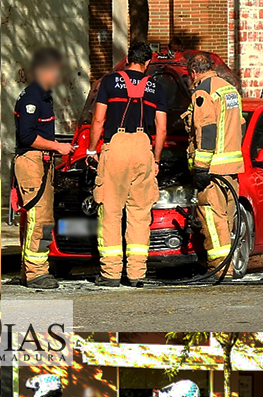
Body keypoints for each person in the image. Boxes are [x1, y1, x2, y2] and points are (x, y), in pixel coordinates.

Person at [86, 41, 168, 287]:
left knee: (110, 211)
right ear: (147, 62)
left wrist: (92, 150)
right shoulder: (155, 87)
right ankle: (136, 274)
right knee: (140, 214)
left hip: (116, 146)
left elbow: (98, 119)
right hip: (143, 147)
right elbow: (162, 129)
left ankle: (111, 274)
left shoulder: (110, 82)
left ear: (128, 59)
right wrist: (155, 159)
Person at [13, 48, 75, 289]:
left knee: (41, 218)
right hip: (31, 162)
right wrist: (57, 147)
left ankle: (29, 269)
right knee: (40, 218)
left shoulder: (44, 97)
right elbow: (27, 136)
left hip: (41, 162)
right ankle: (36, 272)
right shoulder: (32, 98)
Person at [185, 52, 245, 275]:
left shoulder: (203, 91)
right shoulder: (229, 89)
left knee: (212, 217)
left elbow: (207, 129)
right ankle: (229, 266)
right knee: (226, 218)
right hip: (231, 168)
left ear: (193, 72)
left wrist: (201, 166)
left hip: (213, 169)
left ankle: (221, 270)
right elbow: (240, 125)